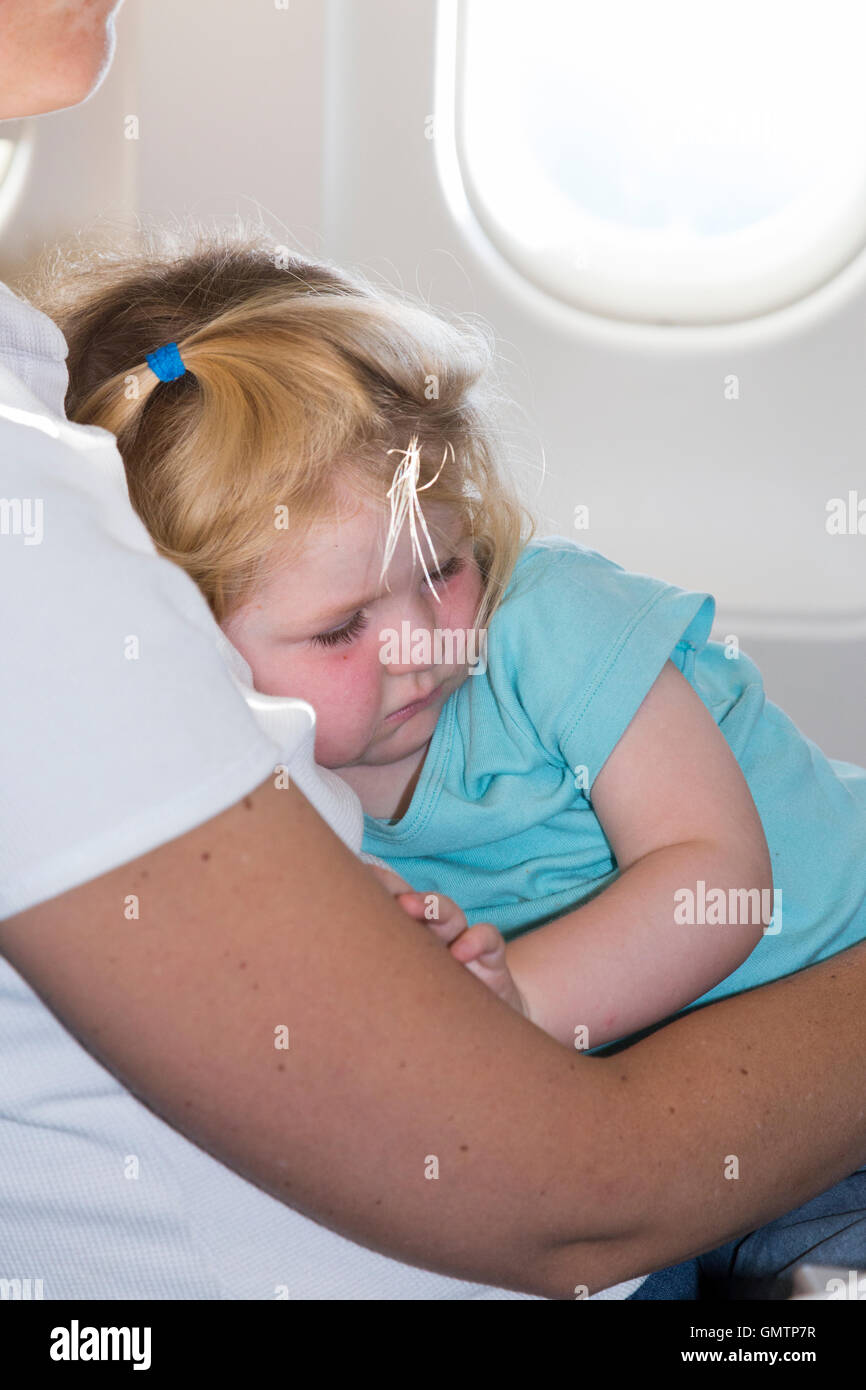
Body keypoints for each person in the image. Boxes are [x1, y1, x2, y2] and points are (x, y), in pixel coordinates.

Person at [2, 0, 866, 1302]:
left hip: (805, 993)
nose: (424, 638)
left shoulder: (543, 620)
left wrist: (511, 998)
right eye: (343, 626)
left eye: (439, 563)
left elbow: (716, 877)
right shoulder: (235, 747)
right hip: (691, 1087)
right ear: (195, 632)